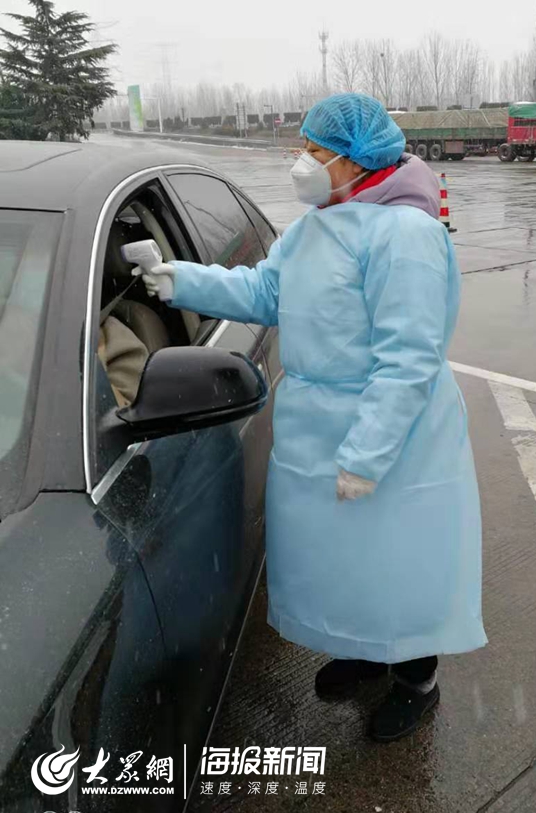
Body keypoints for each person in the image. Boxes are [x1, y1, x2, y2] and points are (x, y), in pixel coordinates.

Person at [135, 93, 487, 741]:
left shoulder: (404, 235)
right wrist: (176, 280)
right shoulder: (317, 225)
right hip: (318, 425)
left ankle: (416, 681)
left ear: (355, 159)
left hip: (390, 435)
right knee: (346, 561)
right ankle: (363, 653)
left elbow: (408, 360)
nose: (301, 161)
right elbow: (263, 293)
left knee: (393, 564)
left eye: (315, 150)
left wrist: (367, 454)